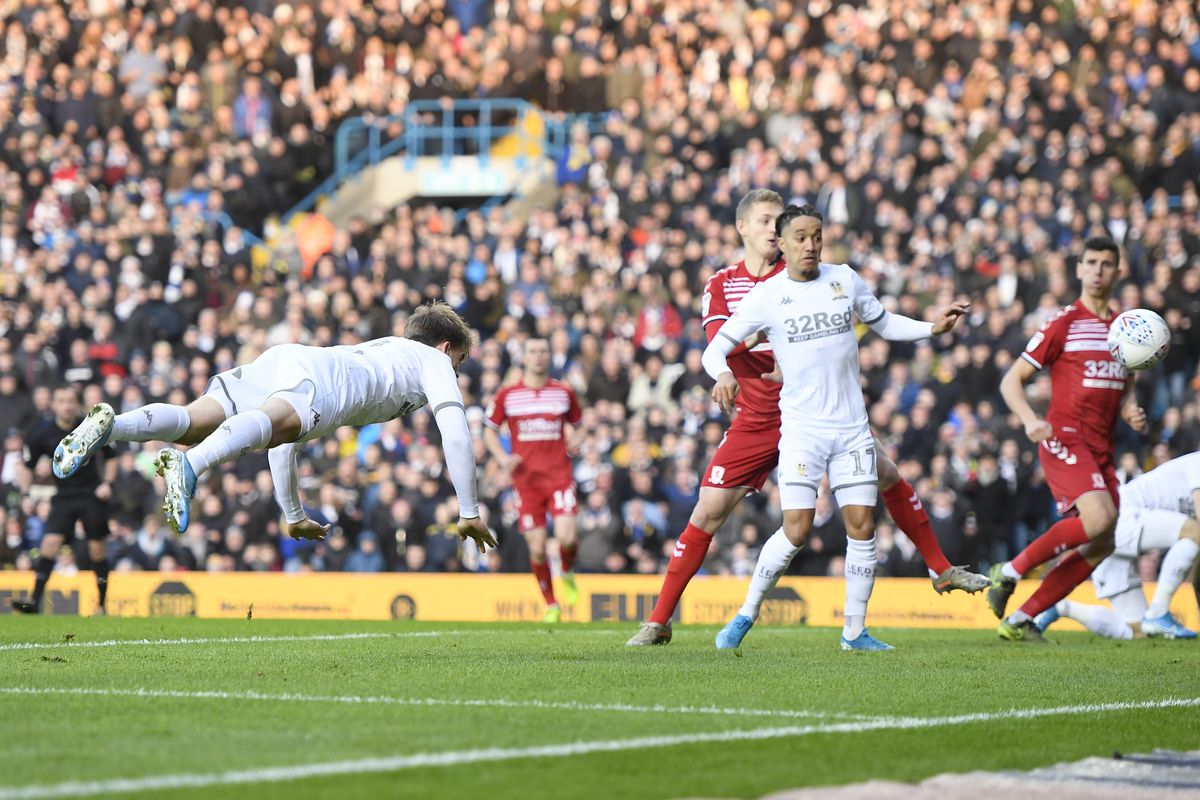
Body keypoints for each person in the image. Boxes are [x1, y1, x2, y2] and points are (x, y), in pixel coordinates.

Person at [626, 191, 984, 648]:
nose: (776, 232)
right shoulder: (729, 285)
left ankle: (937, 569)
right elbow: (721, 340)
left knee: (887, 475)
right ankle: (660, 620)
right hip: (758, 416)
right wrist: (754, 352)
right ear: (742, 228)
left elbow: (857, 323)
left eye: (785, 225)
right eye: (765, 222)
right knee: (708, 512)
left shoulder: (809, 271)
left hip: (816, 411)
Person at [53, 302, 495, 553]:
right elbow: (455, 432)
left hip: (289, 359)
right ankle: (190, 467)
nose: (456, 372)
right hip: (328, 382)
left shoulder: (387, 350)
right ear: (446, 346)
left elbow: (282, 443)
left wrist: (293, 514)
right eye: (460, 361)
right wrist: (469, 509)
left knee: (194, 421)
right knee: (266, 427)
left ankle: (112, 428)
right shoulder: (433, 360)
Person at [988, 237, 1147, 642]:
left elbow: (1125, 387)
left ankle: (1022, 618)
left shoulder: (1124, 329)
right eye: (1090, 262)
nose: (1097, 270)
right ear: (1078, 269)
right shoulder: (1064, 322)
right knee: (1099, 520)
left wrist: (1130, 407)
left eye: (1106, 263)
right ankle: (1007, 571)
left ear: (1117, 271)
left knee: (1103, 542)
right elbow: (1011, 381)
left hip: (1102, 449)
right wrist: (1029, 420)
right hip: (1064, 438)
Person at [1036, 451, 1200, 640]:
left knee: (1138, 632)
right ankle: (1158, 612)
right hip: (1123, 516)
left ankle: (1063, 608)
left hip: (1115, 534)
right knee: (1195, 532)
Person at [484, 338, 583, 622]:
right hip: (526, 483)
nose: (538, 356)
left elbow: (579, 425)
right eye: (533, 352)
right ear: (523, 358)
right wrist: (502, 459)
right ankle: (551, 603)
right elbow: (489, 430)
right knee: (537, 548)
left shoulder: (563, 392)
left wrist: (577, 439)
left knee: (567, 536)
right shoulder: (508, 395)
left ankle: (566, 570)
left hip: (559, 475)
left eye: (543, 351)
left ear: (549, 357)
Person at [12, 386, 115, 614]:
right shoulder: (41, 433)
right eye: (62, 401)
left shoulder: (91, 427)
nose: (67, 406)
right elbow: (27, 467)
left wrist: (107, 483)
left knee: (97, 550)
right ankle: (34, 601)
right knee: (49, 544)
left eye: (70, 401)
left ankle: (101, 605)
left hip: (91, 495)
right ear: (53, 404)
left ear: (76, 403)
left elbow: (111, 458)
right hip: (64, 496)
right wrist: (27, 493)